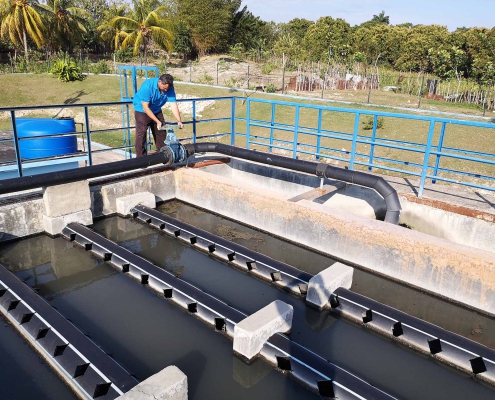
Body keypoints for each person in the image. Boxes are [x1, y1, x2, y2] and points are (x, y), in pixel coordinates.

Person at [132, 73, 184, 157]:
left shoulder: (169, 88)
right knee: (141, 133)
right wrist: (157, 121)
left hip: (156, 109)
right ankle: (140, 159)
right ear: (160, 82)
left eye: (167, 88)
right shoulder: (147, 86)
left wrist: (179, 120)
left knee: (161, 131)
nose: (166, 90)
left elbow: (173, 105)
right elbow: (146, 107)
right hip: (142, 110)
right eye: (164, 88)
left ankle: (163, 155)